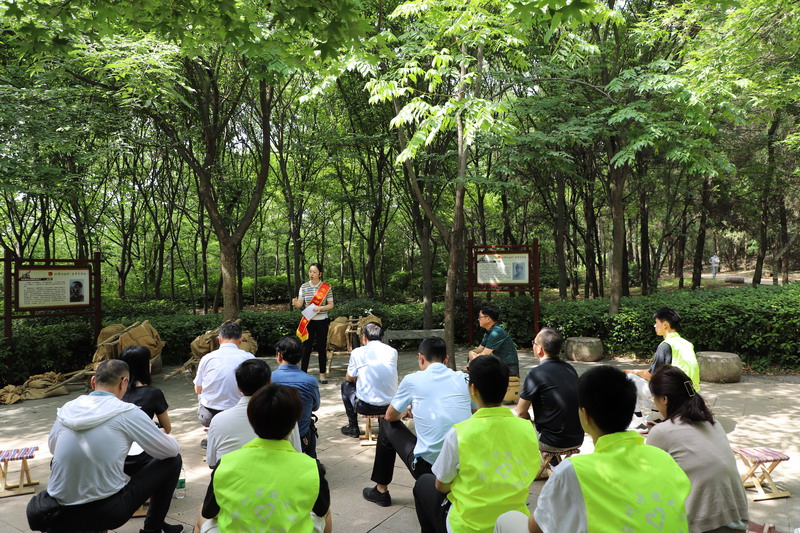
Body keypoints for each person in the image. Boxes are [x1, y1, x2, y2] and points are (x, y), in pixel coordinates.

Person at [523, 365, 691, 533]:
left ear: (585, 414)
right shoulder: (664, 458)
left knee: (507, 520)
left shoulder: (573, 471)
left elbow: (535, 527)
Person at [26, 359, 183, 533]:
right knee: (173, 460)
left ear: (93, 381)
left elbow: (53, 448)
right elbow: (170, 450)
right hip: (107, 512)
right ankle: (152, 530)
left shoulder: (67, 409)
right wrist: (157, 433)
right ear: (124, 383)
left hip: (58, 511)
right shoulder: (127, 412)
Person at [414, 355, 539, 533]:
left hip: (468, 526)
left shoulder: (459, 433)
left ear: (472, 389)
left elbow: (441, 485)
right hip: (514, 522)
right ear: (505, 390)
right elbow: (533, 470)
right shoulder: (527, 428)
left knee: (423, 483)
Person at [201, 384, 332, 533]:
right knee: (327, 513)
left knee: (201, 514)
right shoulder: (311, 466)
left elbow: (208, 512)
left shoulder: (225, 463)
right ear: (293, 424)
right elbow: (321, 510)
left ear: (251, 419)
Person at [362, 337, 472, 507]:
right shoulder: (464, 379)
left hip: (428, 469)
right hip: (465, 462)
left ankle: (381, 490)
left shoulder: (412, 380)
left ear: (421, 357)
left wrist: (405, 412)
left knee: (386, 424)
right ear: (446, 359)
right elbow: (475, 410)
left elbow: (390, 415)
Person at [648, 365, 749, 532]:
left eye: (654, 397)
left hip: (706, 525)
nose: (654, 403)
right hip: (738, 519)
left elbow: (649, 483)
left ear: (664, 399)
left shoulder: (661, 432)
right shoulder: (712, 422)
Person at [206, 359, 301, 468]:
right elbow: (297, 453)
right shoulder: (286, 415)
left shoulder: (218, 420)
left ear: (238, 387)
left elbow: (212, 464)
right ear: (270, 382)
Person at [515, 328, 583, 452]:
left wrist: (530, 425)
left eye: (534, 343)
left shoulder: (535, 373)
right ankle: (553, 465)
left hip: (552, 442)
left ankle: (548, 465)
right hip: (577, 439)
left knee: (515, 428)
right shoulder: (570, 369)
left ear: (539, 349)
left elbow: (520, 412)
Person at [194, 321, 255, 446]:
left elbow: (197, 389)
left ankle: (211, 431)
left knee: (201, 393)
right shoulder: (249, 358)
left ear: (219, 339)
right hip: (240, 413)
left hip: (210, 414)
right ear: (241, 339)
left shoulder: (207, 358)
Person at [340, 322, 398, 438]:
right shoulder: (392, 351)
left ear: (364, 337)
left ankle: (353, 427)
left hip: (365, 406)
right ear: (382, 338)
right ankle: (383, 424)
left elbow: (349, 377)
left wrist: (359, 378)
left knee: (345, 385)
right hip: (390, 405)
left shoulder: (357, 352)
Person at [121, 345, 173, 475]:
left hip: (116, 453)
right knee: (173, 457)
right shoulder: (153, 393)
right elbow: (167, 428)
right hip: (139, 455)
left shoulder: (115, 393)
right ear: (145, 366)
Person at [271, 335, 321, 458]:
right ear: (300, 357)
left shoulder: (268, 378)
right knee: (309, 425)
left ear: (279, 355)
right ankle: (311, 461)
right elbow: (315, 406)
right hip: (301, 436)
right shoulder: (310, 381)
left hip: (273, 436)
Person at [627, 307, 700, 390]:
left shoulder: (666, 345)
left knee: (630, 377)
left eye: (656, 322)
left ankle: (654, 403)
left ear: (665, 324)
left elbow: (652, 375)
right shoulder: (687, 343)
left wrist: (632, 372)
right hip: (693, 392)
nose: (654, 325)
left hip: (675, 395)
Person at [292, 262, 334, 384]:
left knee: (321, 348)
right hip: (308, 321)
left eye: (314, 272)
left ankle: (322, 374)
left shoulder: (326, 288)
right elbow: (300, 304)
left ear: (320, 274)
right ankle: (303, 373)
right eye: (310, 271)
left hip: (322, 321)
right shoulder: (304, 287)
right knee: (306, 348)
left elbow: (331, 305)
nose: (311, 274)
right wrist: (295, 303)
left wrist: (320, 308)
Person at [468, 305, 519, 376]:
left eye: (480, 317)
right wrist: (471, 352)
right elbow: (480, 349)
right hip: (501, 367)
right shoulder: (489, 331)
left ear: (488, 319)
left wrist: (473, 357)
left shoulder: (497, 332)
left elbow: (484, 354)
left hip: (509, 369)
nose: (478, 319)